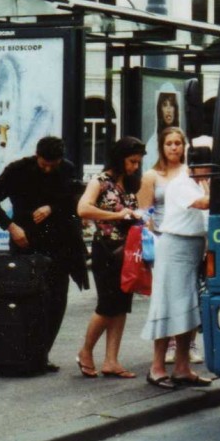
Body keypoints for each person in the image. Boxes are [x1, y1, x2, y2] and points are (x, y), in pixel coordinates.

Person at [0, 136, 88, 373]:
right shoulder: (18, 170)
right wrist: (11, 226)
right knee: (27, 301)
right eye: (44, 164)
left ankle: (41, 355)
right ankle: (23, 354)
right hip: (26, 243)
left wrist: (52, 207)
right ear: (36, 156)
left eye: (53, 164)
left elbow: (73, 200)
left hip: (60, 246)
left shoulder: (66, 169)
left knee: (56, 302)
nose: (48, 169)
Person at [141, 146, 214, 389]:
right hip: (175, 246)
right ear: (195, 166)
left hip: (192, 247)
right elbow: (205, 204)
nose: (209, 174)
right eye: (207, 168)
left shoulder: (196, 181)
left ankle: (182, 368)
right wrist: (213, 190)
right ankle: (157, 368)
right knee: (168, 306)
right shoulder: (183, 183)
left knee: (188, 308)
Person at [75, 136, 146, 379]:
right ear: (120, 158)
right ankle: (85, 351)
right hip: (106, 248)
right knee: (107, 304)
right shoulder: (100, 181)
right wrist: (118, 216)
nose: (135, 166)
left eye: (138, 162)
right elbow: (83, 209)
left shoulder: (129, 183)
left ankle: (111, 361)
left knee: (121, 305)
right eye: (131, 161)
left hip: (127, 249)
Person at [137, 126, 203, 365]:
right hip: (164, 237)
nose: (174, 147)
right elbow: (145, 212)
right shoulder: (152, 176)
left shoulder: (191, 171)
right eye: (169, 143)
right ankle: (170, 347)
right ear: (162, 148)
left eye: (178, 143)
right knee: (169, 296)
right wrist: (153, 237)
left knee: (190, 293)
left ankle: (188, 344)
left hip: (190, 234)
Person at [143, 87, 180, 171]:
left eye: (171, 105)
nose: (168, 110)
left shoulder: (183, 141)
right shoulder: (152, 144)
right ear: (160, 109)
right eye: (165, 105)